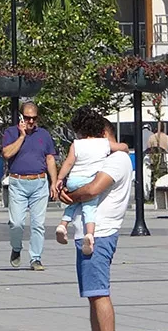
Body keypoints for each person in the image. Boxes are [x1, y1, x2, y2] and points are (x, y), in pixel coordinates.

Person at [59, 116, 132, 331]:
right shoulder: (103, 158)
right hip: (87, 232)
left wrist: (68, 195)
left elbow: (92, 190)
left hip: (100, 233)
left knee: (99, 291)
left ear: (102, 134)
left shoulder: (117, 159)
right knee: (92, 293)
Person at [55, 108, 129, 255]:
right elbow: (92, 190)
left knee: (72, 204)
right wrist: (124, 147)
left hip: (73, 180)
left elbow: (68, 163)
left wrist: (59, 179)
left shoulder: (76, 144)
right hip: (88, 181)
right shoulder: (104, 144)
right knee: (89, 207)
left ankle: (63, 225)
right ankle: (89, 234)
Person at [1, 101, 58, 271]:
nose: (30, 121)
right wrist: (22, 136)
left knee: (38, 224)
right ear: (21, 117)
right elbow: (7, 153)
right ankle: (16, 248)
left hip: (39, 182)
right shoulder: (11, 133)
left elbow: (50, 159)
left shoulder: (44, 135)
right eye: (27, 118)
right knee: (16, 222)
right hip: (18, 182)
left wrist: (53, 182)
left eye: (33, 118)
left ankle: (36, 258)